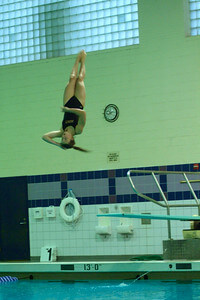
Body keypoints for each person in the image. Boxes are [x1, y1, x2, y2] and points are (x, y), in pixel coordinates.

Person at [42, 50, 88, 152]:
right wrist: (69, 110)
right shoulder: (78, 130)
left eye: (62, 138)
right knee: (80, 79)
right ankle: (83, 60)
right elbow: (83, 114)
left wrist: (58, 144)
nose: (63, 136)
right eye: (65, 138)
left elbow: (45, 136)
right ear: (72, 138)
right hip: (79, 103)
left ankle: (77, 59)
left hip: (67, 102)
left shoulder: (62, 130)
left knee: (72, 78)